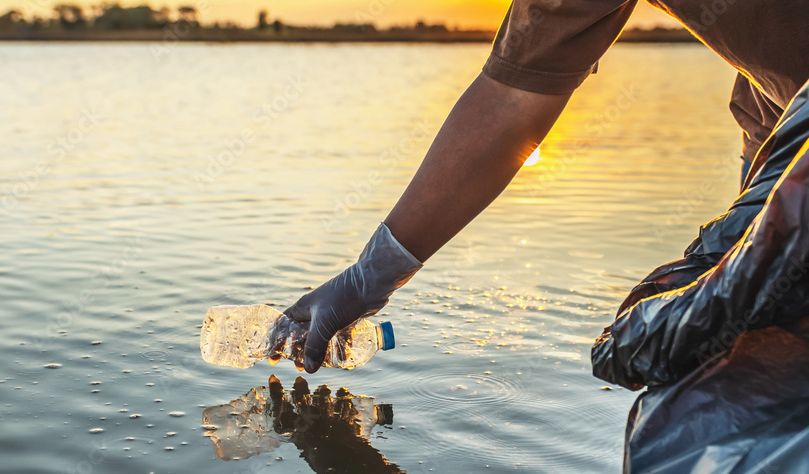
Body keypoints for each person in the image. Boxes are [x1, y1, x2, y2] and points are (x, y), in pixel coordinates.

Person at [284, 0, 809, 374]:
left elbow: (512, 100)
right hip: (780, 140)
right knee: (714, 349)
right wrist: (367, 278)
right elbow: (512, 98)